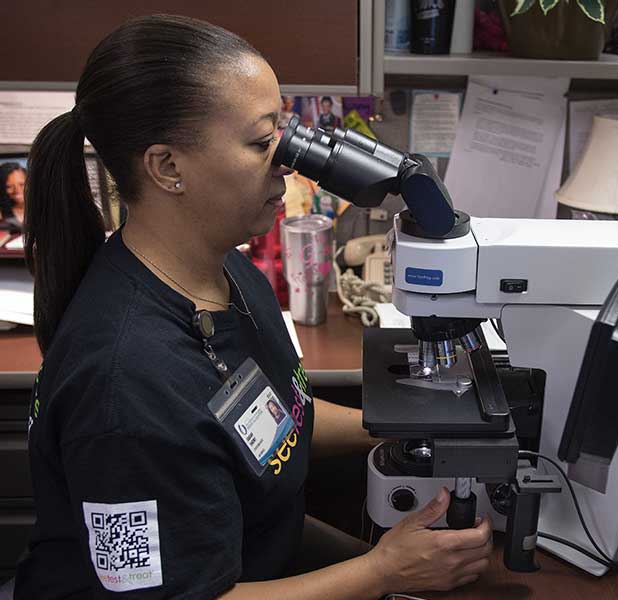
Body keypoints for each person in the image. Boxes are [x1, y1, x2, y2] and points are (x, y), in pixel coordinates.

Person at [14, 14, 492, 600]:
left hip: (259, 556)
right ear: (167, 168)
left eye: (283, 132)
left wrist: (405, 430)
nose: (288, 162)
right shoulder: (127, 387)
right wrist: (384, 572)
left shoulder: (224, 271)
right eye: (263, 142)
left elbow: (266, 424)